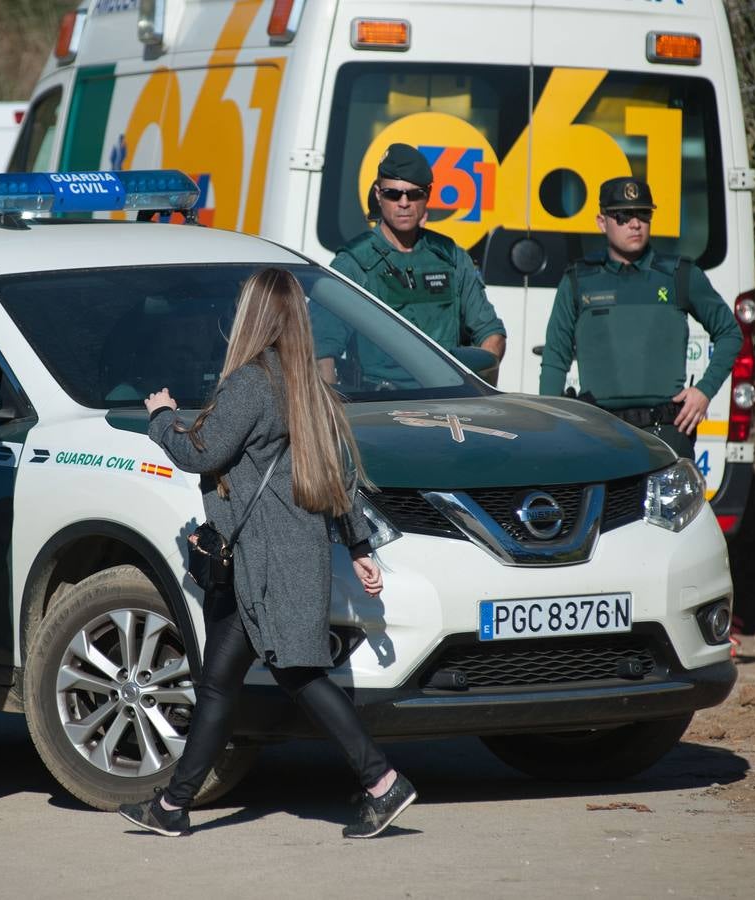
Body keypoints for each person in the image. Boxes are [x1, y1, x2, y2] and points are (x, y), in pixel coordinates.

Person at [119, 267, 417, 839]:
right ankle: (173, 806)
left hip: (261, 564)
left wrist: (162, 418)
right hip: (289, 556)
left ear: (252, 316)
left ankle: (382, 781)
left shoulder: (252, 383)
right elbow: (338, 478)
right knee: (220, 684)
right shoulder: (310, 386)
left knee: (299, 674)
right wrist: (357, 544)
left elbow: (201, 453)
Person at [538, 176, 742, 460]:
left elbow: (730, 334)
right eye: (623, 215)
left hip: (668, 433)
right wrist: (550, 427)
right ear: (601, 222)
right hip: (599, 433)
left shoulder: (680, 275)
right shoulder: (578, 281)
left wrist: (704, 391)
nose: (635, 224)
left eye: (643, 214)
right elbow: (555, 357)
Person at [320, 142, 506, 388]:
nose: (404, 202)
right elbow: (321, 350)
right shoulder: (353, 264)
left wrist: (476, 388)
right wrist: (336, 413)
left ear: (427, 195)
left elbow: (492, 334)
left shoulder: (451, 258)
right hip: (380, 404)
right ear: (379, 195)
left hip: (446, 400)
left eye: (414, 194)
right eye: (393, 194)